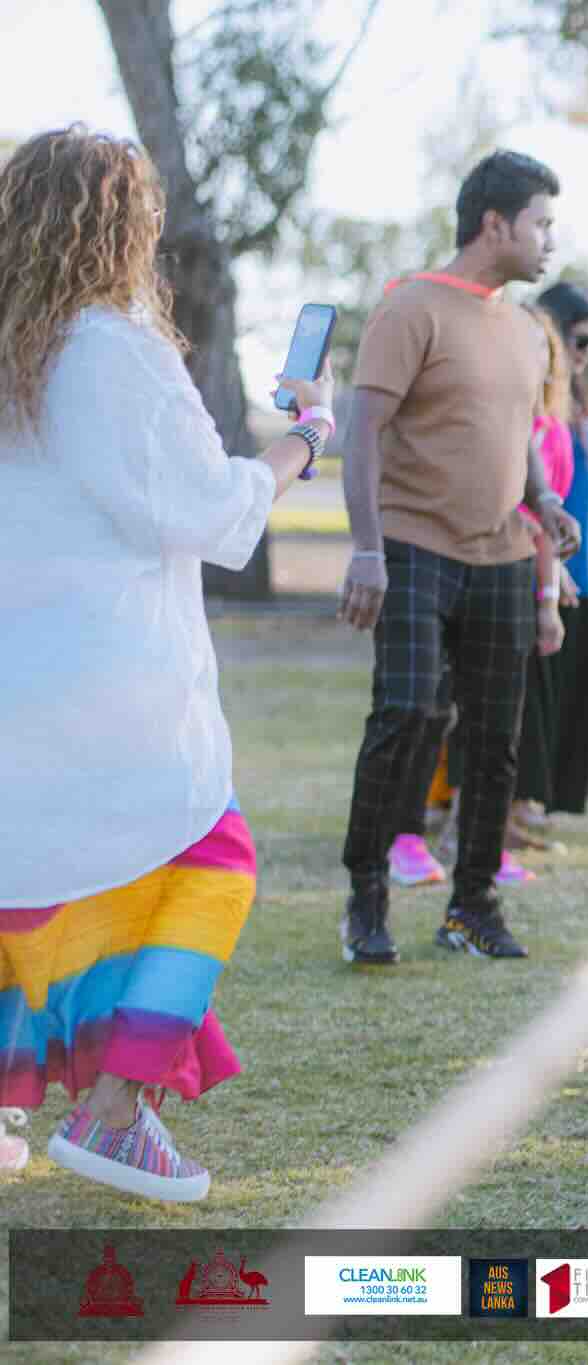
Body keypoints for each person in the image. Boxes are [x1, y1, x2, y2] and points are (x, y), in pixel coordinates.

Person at [0, 127, 332, 1199]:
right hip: (110, 685)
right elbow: (209, 508)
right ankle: (114, 1113)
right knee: (211, 863)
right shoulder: (110, 350)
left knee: (22, 886)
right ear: (122, 230)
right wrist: (307, 438)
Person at [335, 150, 578, 965]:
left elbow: (520, 435)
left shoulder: (526, 330)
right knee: (405, 711)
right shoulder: (410, 308)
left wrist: (544, 499)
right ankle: (367, 893)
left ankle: (472, 905)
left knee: (496, 737)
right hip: (413, 545)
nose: (550, 240)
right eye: (541, 223)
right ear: (495, 224)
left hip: (502, 555)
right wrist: (366, 549)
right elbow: (363, 433)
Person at [536, 282, 588, 824]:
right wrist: (554, 565)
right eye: (580, 340)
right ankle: (526, 804)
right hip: (557, 571)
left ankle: (552, 800)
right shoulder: (541, 406)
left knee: (578, 698)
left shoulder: (578, 405)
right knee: (548, 695)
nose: (587, 353)